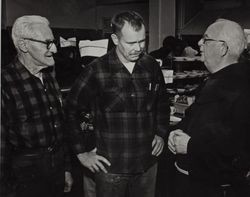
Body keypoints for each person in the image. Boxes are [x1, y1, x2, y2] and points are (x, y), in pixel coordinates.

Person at [66, 11, 170, 197]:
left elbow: (162, 102)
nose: (138, 48)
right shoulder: (96, 70)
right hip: (111, 168)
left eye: (142, 41)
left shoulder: (151, 65)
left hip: (147, 164)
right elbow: (70, 110)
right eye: (131, 43)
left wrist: (161, 133)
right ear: (115, 38)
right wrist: (81, 153)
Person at [168, 19, 250, 197]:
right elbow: (194, 117)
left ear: (222, 48)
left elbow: (235, 149)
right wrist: (177, 131)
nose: (199, 43)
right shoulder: (215, 80)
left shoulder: (241, 89)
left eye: (206, 39)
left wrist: (190, 145)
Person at [1, 15, 73, 197]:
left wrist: (65, 168)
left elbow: (60, 128)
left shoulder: (49, 77)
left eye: (54, 42)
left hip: (56, 169)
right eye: (47, 43)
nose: (54, 49)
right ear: (24, 45)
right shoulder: (5, 82)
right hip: (22, 178)